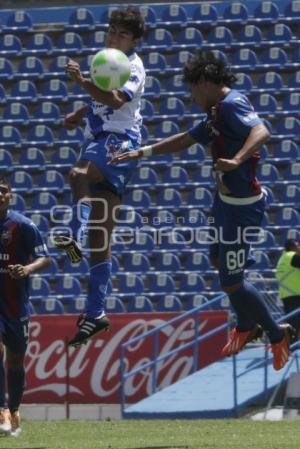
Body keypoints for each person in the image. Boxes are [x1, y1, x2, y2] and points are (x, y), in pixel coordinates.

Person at [110, 50, 295, 371]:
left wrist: (237, 160)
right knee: (217, 261)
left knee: (233, 281)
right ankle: (246, 326)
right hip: (224, 204)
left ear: (206, 82)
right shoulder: (215, 113)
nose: (191, 97)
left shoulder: (232, 105)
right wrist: (141, 152)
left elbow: (262, 131)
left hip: (242, 208)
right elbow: (185, 138)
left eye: (193, 90)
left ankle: (278, 334)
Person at [53, 6, 145, 347]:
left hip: (118, 141)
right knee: (100, 240)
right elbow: (104, 100)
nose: (114, 38)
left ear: (135, 39)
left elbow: (119, 99)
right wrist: (82, 110)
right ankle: (96, 314)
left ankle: (72, 234)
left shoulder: (133, 65)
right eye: (112, 31)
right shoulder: (107, 58)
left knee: (77, 173)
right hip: (103, 139)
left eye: (122, 34)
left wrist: (81, 83)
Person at [0, 177, 51, 436]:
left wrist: (26, 268)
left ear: (10, 195)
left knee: (16, 362)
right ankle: (2, 411)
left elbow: (46, 257)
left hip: (16, 304)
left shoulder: (23, 225)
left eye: (3, 191)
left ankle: (15, 409)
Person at [276, 239, 300, 339]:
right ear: (292, 247)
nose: (299, 248)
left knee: (291, 323)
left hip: (286, 294)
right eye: (297, 246)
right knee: (294, 324)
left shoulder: (282, 258)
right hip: (296, 294)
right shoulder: (292, 256)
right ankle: (292, 347)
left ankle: (289, 346)